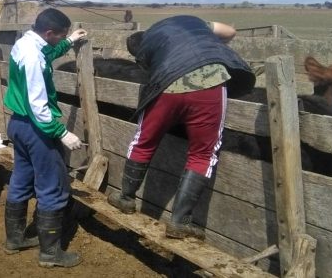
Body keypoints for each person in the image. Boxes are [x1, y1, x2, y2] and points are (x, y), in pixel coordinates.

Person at [107, 15, 255, 239]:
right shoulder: (188, 22)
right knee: (204, 153)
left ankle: (126, 198)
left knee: (144, 140)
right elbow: (230, 32)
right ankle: (179, 221)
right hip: (209, 82)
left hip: (166, 83)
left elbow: (149, 72)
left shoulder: (144, 50)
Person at [2, 8, 87, 268]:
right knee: (52, 186)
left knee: (20, 180)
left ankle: (14, 240)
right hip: (36, 128)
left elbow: (47, 52)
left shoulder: (25, 43)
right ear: (48, 32)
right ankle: (50, 254)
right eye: (58, 35)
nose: (58, 39)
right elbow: (38, 104)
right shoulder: (33, 59)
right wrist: (62, 132)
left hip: (18, 123)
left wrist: (69, 41)